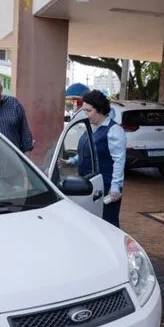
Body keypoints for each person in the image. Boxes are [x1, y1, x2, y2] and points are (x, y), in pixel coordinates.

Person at [61, 90, 126, 227]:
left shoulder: (114, 130)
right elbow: (89, 151)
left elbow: (119, 160)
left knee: (107, 225)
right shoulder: (91, 127)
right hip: (89, 184)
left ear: (100, 110)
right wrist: (71, 161)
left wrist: (115, 187)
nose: (86, 114)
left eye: (88, 111)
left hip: (105, 188)